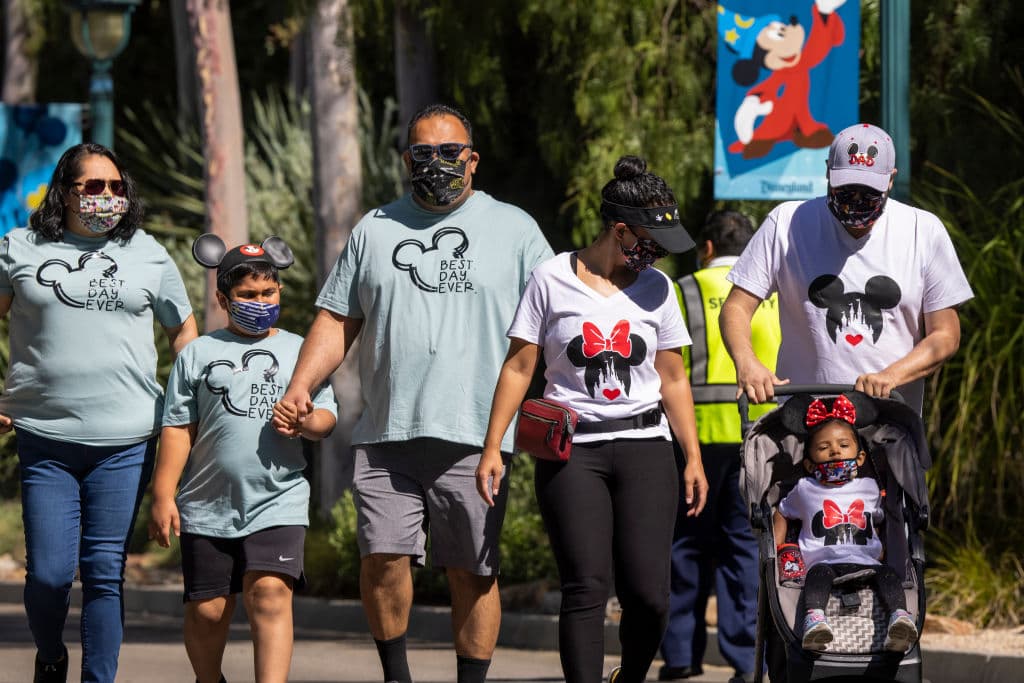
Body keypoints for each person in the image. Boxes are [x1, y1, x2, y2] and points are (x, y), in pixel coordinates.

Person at [275, 103, 552, 683]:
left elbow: (556, 319)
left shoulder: (517, 229)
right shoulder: (376, 229)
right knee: (381, 561)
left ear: (472, 160)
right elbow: (335, 318)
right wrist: (302, 384)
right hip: (387, 432)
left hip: (479, 434)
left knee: (471, 571)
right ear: (406, 160)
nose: (437, 163)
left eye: (450, 152)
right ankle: (396, 677)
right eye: (423, 154)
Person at [476, 155, 709, 683]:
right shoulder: (551, 279)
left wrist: (691, 455)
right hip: (572, 451)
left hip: (647, 448)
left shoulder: (659, 290)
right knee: (585, 586)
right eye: (650, 242)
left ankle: (629, 675)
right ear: (620, 230)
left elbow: (673, 379)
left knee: (649, 596)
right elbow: (519, 366)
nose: (657, 256)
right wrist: (494, 446)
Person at [0, 142, 198, 683]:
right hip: (45, 439)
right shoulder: (19, 247)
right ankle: (50, 655)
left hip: (126, 440)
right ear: (65, 192)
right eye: (93, 187)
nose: (107, 197)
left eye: (116, 187)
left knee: (105, 574)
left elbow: (183, 331)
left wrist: (189, 400)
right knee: (47, 575)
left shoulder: (148, 254)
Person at [148, 235, 337, 683]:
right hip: (207, 506)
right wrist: (162, 494)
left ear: (280, 291)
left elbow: (328, 416)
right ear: (222, 298)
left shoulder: (300, 352)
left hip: (279, 499)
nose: (259, 302)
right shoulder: (197, 354)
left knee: (270, 595)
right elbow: (178, 428)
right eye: (247, 295)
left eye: (267, 293)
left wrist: (308, 422)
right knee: (209, 611)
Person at [720, 123, 974, 415]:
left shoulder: (923, 230)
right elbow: (737, 307)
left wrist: (891, 376)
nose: (855, 199)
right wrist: (747, 362)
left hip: (888, 423)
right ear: (828, 171)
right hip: (803, 422)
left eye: (868, 190)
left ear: (891, 180)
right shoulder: (786, 222)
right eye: (846, 187)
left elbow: (945, 334)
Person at [659, 211, 781, 683]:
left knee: (685, 548)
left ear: (706, 247)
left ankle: (679, 658)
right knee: (745, 550)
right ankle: (745, 662)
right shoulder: (770, 296)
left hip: (694, 443)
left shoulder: (681, 290)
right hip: (762, 443)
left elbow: (668, 371)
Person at [772, 391, 919, 653]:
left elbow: (879, 522)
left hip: (867, 562)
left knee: (888, 575)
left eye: (843, 445)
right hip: (824, 562)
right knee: (816, 578)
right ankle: (815, 620)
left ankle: (900, 618)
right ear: (809, 463)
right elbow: (782, 511)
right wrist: (779, 545)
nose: (835, 451)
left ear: (860, 457)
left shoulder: (870, 488)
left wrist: (882, 548)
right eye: (823, 447)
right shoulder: (806, 489)